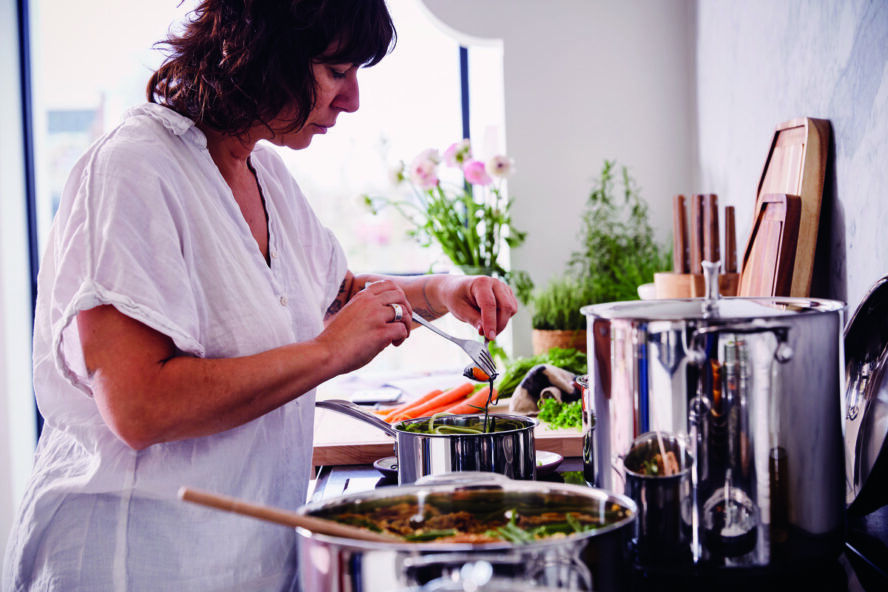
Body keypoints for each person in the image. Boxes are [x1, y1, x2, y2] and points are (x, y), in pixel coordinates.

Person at [2, 1, 518, 590]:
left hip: (246, 563)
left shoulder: (262, 171)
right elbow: (138, 406)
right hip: (137, 562)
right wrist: (328, 353)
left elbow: (332, 293)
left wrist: (441, 290)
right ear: (264, 51)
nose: (352, 100)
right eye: (336, 71)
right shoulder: (132, 169)